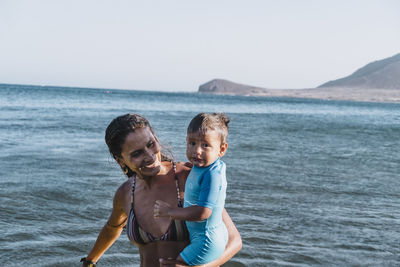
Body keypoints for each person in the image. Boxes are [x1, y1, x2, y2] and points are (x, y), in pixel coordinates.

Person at [81, 113, 242, 267]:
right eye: (137, 153)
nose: (150, 156)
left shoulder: (189, 177)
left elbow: (234, 241)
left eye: (150, 144)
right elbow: (112, 228)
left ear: (156, 138)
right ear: (120, 160)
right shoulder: (125, 193)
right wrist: (90, 261)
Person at [154, 113, 230, 265]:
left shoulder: (212, 174)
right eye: (192, 143)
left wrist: (171, 212)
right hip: (205, 234)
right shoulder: (203, 166)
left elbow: (204, 212)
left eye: (205, 145)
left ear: (222, 150)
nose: (197, 151)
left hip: (206, 240)